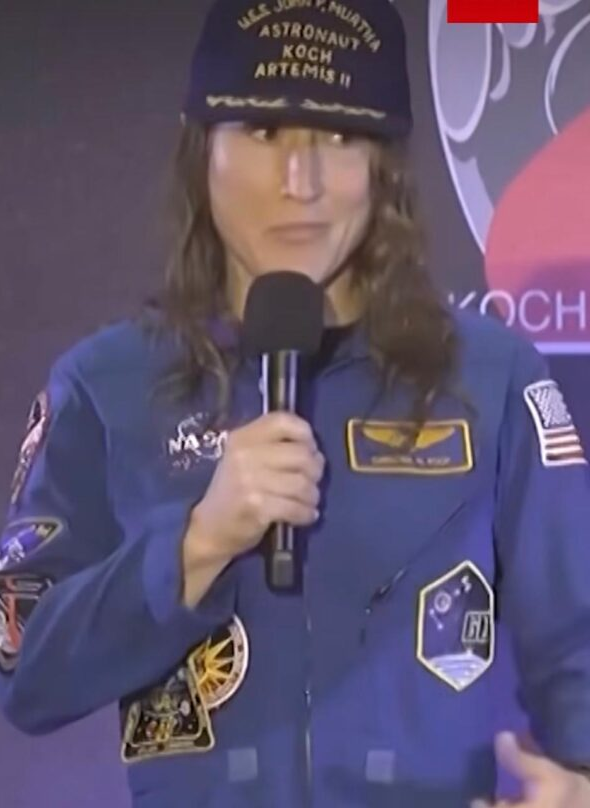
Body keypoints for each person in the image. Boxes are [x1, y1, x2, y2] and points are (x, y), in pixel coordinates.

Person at [1, 1, 590, 806]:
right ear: (201, 145)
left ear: (384, 165)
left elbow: (578, 637)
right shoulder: (107, 385)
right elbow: (25, 670)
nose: (299, 182)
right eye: (266, 131)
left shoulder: (491, 375)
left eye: (339, 137)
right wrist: (198, 543)